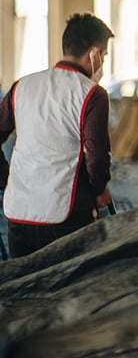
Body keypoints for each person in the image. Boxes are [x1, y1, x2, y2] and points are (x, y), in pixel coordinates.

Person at [0, 13, 114, 257]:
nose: (103, 62)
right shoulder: (92, 95)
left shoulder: (22, 86)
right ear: (94, 54)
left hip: (18, 216)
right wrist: (99, 189)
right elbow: (97, 158)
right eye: (104, 55)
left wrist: (6, 180)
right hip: (65, 218)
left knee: (25, 289)